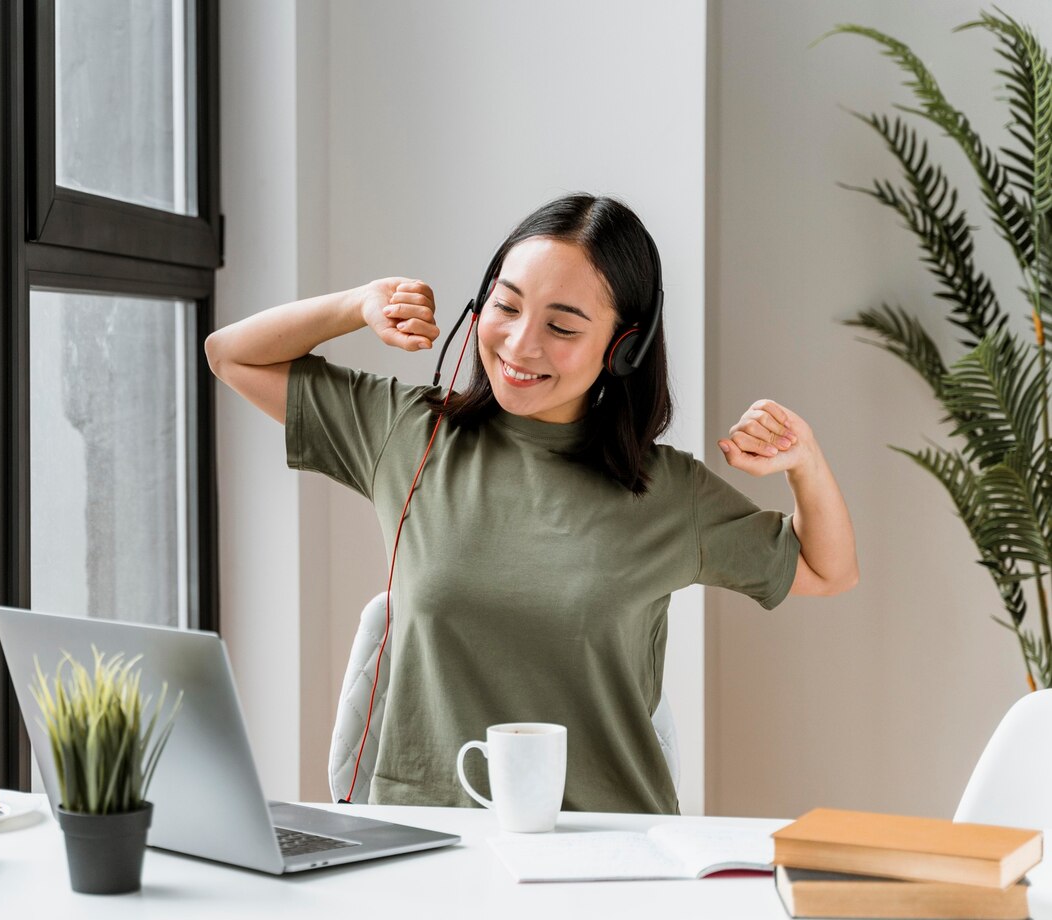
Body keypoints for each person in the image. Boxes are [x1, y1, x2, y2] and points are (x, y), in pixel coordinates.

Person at [205, 193, 858, 814]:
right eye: (506, 306)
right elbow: (230, 355)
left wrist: (805, 462)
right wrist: (358, 303)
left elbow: (829, 572)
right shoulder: (407, 433)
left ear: (623, 348)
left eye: (562, 326)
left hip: (609, 853)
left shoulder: (666, 492)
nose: (520, 345)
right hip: (435, 844)